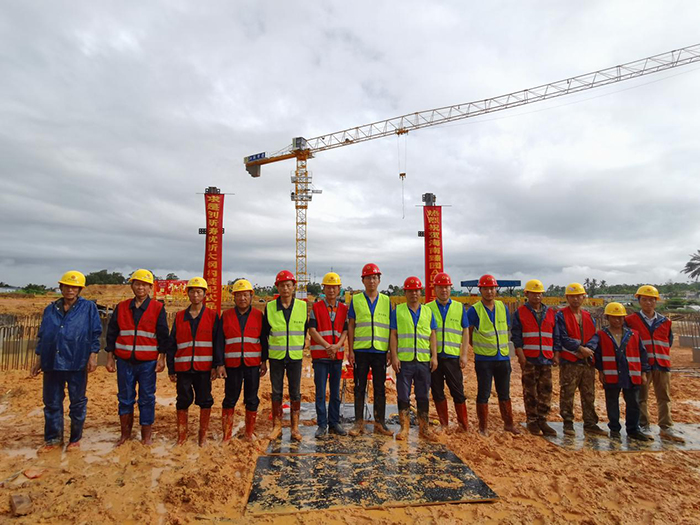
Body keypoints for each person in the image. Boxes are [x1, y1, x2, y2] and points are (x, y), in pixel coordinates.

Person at [31, 271, 102, 451]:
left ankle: (75, 439)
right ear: (61, 287)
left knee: (77, 402)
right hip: (51, 361)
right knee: (52, 402)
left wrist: (93, 356)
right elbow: (43, 335)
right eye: (67, 286)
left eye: (74, 287)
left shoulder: (88, 308)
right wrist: (39, 359)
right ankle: (53, 439)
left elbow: (95, 333)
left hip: (76, 360)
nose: (70, 290)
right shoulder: (50, 309)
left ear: (79, 290)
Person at [106, 269, 169, 446]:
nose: (141, 288)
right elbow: (112, 333)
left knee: (147, 398)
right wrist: (110, 357)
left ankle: (146, 436)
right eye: (137, 284)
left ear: (150, 288)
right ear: (132, 286)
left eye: (144, 285)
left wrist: (162, 358)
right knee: (125, 397)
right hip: (124, 361)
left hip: (147, 363)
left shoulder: (157, 308)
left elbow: (163, 335)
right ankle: (125, 434)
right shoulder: (122, 307)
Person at [625, 285, 684, 442]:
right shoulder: (630, 321)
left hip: (662, 365)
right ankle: (643, 425)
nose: (648, 303)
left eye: (651, 300)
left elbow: (668, 341)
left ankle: (666, 427)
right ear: (639, 301)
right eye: (644, 300)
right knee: (641, 397)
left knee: (664, 397)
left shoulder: (665, 322)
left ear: (656, 301)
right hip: (642, 366)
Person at [167, 277, 220, 446]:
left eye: (199, 292)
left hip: (204, 367)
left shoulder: (212, 316)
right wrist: (171, 368)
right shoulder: (179, 316)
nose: (195, 295)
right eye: (192, 291)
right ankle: (182, 436)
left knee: (205, 400)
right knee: (183, 400)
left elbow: (217, 343)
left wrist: (215, 366)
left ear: (204, 294)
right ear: (188, 294)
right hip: (183, 367)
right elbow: (172, 343)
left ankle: (202, 437)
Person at [466, 274, 520, 435]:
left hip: (502, 357)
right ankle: (483, 427)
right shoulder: (474, 310)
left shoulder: (502, 307)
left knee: (504, 393)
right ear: (480, 290)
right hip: (484, 359)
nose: (489, 291)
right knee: (483, 393)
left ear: (496, 289)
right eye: (486, 288)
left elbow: (505, 329)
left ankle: (508, 424)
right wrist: (479, 347)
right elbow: (469, 334)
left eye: (492, 288)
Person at [591, 302, 652, 440]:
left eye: (620, 317)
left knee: (633, 403)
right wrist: (601, 371)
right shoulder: (602, 335)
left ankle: (633, 430)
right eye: (614, 317)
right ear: (607, 318)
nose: (617, 320)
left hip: (631, 374)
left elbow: (642, 355)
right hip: (611, 374)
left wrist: (643, 373)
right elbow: (598, 355)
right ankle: (614, 429)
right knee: (612, 402)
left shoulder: (634, 335)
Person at [217, 279, 267, 442]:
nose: (242, 298)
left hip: (252, 365)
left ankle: (248, 433)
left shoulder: (258, 316)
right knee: (230, 399)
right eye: (239, 295)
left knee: (252, 399)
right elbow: (220, 341)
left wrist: (264, 361)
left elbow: (263, 340)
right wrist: (220, 364)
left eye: (245, 295)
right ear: (234, 297)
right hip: (232, 366)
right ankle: (226, 436)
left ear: (251, 296)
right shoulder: (226, 316)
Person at [347, 263, 393, 437]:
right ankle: (358, 422)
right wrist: (350, 350)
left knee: (380, 388)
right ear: (363, 280)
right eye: (368, 278)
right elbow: (351, 325)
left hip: (380, 351)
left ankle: (380, 422)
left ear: (379, 280)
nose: (371, 281)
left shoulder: (386, 301)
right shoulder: (356, 300)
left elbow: (390, 328)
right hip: (361, 351)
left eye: (374, 278)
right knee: (359, 387)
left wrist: (390, 350)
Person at [555, 283, 607, 436]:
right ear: (567, 298)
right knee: (567, 393)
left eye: (579, 296)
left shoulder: (588, 316)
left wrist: (588, 349)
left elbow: (594, 336)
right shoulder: (560, 315)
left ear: (584, 297)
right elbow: (561, 337)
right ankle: (568, 423)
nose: (576, 299)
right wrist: (578, 348)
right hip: (570, 361)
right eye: (572, 296)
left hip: (587, 362)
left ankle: (590, 423)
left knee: (588, 394)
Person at [390, 276, 439, 441]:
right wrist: (394, 356)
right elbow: (393, 335)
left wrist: (434, 356)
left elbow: (432, 335)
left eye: (416, 291)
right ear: (405, 292)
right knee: (403, 395)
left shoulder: (428, 312)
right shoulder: (398, 311)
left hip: (423, 361)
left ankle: (424, 428)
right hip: (404, 361)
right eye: (410, 291)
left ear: (420, 292)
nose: (414, 294)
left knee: (423, 395)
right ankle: (404, 428)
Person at [512, 279, 560, 436]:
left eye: (539, 293)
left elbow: (555, 336)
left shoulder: (551, 313)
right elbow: (516, 336)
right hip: (530, 358)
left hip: (545, 358)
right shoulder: (520, 313)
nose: (537, 296)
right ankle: (532, 421)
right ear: (527, 294)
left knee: (546, 391)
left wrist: (556, 354)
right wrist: (521, 356)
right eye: (533, 293)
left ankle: (542, 420)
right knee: (530, 392)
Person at [264, 270, 307, 441]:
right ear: (278, 287)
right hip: (276, 356)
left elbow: (304, 330)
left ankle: (295, 427)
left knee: (295, 392)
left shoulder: (302, 307)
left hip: (295, 357)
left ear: (293, 287)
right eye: (282, 285)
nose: (285, 289)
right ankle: (277, 426)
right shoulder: (270, 307)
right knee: (276, 392)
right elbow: (265, 334)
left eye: (288, 285)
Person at [425, 272, 470, 432]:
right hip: (434, 358)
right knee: (437, 391)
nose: (444, 290)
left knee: (458, 391)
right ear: (435, 289)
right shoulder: (428, 308)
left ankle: (463, 425)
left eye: (446, 287)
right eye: (440, 287)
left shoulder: (459, 307)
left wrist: (464, 354)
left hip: (452, 357)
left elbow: (465, 331)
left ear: (450, 288)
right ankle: (444, 423)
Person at [309, 272, 349, 439]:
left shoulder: (344, 309)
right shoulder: (316, 308)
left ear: (339, 289)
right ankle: (322, 424)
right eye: (328, 287)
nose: (331, 290)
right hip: (320, 356)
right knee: (320, 392)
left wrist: (337, 346)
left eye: (334, 287)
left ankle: (334, 422)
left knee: (335, 392)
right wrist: (327, 346)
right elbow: (312, 330)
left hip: (336, 357)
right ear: (323, 289)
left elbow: (345, 330)